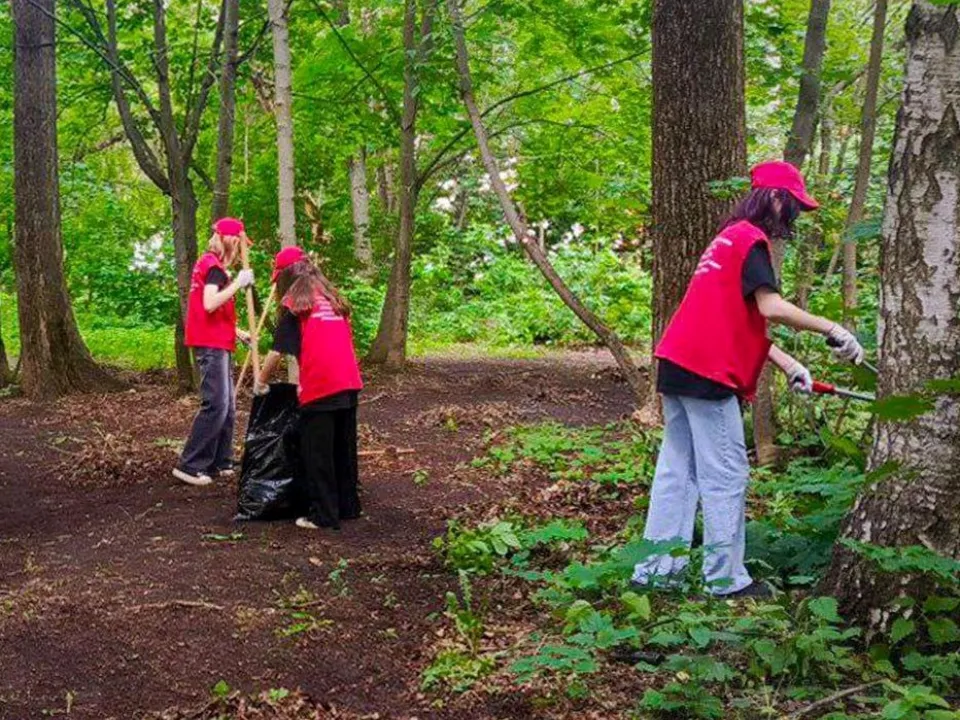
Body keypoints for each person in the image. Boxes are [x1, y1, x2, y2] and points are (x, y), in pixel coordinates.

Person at [633, 160, 864, 598]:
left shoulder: (726, 241)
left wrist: (790, 364)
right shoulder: (751, 241)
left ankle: (656, 575)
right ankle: (726, 581)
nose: (792, 219)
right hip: (708, 372)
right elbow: (771, 308)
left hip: (679, 363)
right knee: (726, 474)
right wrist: (832, 328)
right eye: (793, 207)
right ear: (775, 199)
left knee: (677, 474)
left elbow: (735, 318)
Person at [256, 247, 363, 531]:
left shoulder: (297, 303)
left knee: (318, 453)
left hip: (321, 385)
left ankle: (323, 515)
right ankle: (348, 506)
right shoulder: (331, 297)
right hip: (349, 381)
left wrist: (260, 382)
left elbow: (277, 352)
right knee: (343, 449)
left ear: (286, 276)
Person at [173, 218, 255, 487]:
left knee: (228, 406)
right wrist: (238, 284)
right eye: (239, 245)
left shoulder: (215, 268)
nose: (241, 252)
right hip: (211, 345)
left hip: (220, 341)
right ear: (230, 241)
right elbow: (209, 303)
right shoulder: (213, 266)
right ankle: (191, 464)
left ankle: (221, 459)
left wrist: (238, 332)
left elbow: (213, 313)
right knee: (217, 405)